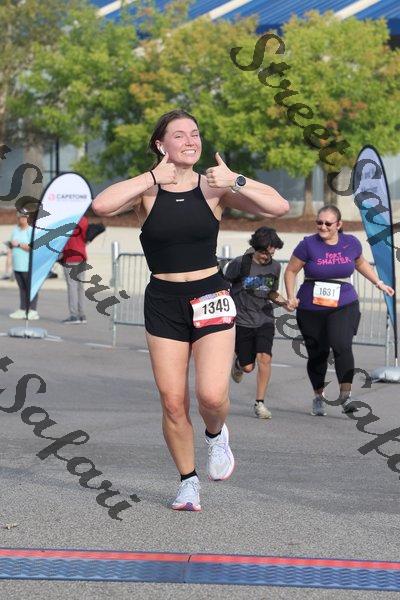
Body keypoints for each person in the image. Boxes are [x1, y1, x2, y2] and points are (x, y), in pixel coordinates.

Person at [92, 109, 289, 511]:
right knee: (172, 402)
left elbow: (279, 207)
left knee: (212, 396)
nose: (190, 140)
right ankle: (188, 481)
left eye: (195, 133)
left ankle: (216, 435)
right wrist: (152, 177)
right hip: (164, 301)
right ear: (161, 144)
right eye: (179, 135)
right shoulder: (147, 191)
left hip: (209, 294)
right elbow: (102, 205)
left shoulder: (213, 188)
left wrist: (236, 179)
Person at [284, 205, 394, 416]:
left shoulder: (351, 243)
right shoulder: (307, 244)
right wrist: (290, 296)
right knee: (318, 354)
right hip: (311, 307)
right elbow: (290, 271)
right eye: (319, 222)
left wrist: (378, 283)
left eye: (328, 223)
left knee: (342, 345)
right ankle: (319, 396)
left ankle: (346, 396)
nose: (323, 227)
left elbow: (360, 263)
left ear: (339, 224)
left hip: (344, 304)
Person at [224, 227, 290, 419]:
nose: (266, 257)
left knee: (265, 358)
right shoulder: (240, 264)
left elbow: (271, 292)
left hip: (264, 319)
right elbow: (223, 285)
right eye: (263, 253)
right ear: (255, 248)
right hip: (242, 320)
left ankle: (260, 403)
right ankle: (239, 364)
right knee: (248, 367)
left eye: (271, 253)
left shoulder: (275, 267)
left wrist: (285, 303)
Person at [8, 210, 39, 320]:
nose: (22, 219)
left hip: (27, 265)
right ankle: (22, 309)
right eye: (20, 217)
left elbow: (33, 247)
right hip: (17, 265)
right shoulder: (15, 230)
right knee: (22, 288)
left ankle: (33, 310)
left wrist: (19, 245)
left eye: (24, 217)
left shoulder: (30, 230)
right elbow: (11, 245)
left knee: (30, 288)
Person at [60, 214, 89, 324]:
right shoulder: (84, 220)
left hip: (70, 256)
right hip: (82, 255)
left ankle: (74, 315)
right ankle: (82, 315)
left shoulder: (67, 220)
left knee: (72, 285)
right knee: (80, 287)